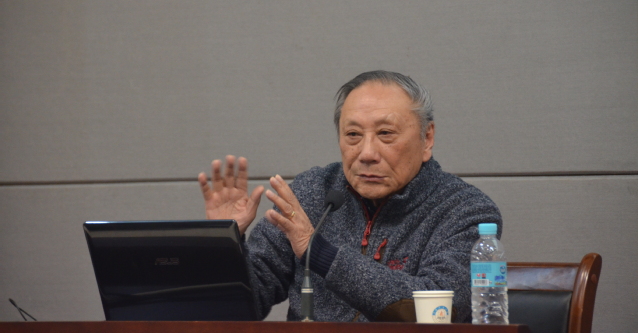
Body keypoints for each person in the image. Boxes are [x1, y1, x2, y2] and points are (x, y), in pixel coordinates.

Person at [198, 70, 502, 322]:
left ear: (427, 138)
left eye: (385, 134)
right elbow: (241, 307)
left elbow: (439, 309)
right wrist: (224, 245)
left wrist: (318, 253)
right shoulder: (312, 192)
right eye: (353, 135)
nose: (367, 153)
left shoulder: (466, 210)